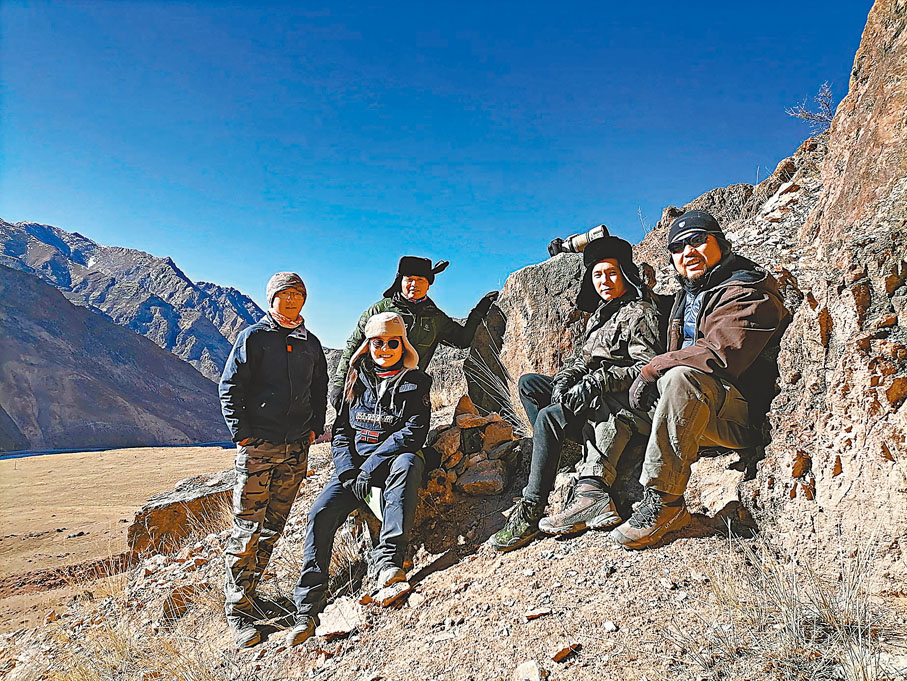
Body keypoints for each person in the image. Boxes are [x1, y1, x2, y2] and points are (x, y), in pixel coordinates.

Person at [611, 210, 790, 550]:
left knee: (679, 377)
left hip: (744, 418)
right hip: (706, 412)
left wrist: (652, 368)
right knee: (612, 394)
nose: (687, 252)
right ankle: (592, 489)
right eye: (678, 247)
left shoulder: (748, 287)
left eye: (697, 240)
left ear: (720, 243)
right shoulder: (691, 292)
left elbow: (721, 353)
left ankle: (665, 503)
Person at [489, 236, 663, 552]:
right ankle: (566, 450)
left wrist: (598, 382)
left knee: (549, 417)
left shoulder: (641, 312)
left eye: (611, 273)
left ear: (624, 271)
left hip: (622, 400)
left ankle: (531, 508)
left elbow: (646, 368)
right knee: (530, 384)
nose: (604, 281)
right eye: (597, 275)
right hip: (594, 392)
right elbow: (581, 359)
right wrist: (565, 379)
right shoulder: (601, 314)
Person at [287, 312, 432, 646]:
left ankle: (389, 564)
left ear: (402, 345)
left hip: (391, 463)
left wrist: (369, 468)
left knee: (409, 464)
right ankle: (307, 608)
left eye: (392, 343)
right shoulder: (355, 379)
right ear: (368, 345)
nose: (384, 349)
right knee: (321, 513)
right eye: (377, 342)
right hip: (354, 470)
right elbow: (340, 432)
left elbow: (413, 432)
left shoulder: (417, 382)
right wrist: (349, 471)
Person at [218, 272, 328, 648]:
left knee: (273, 527)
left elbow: (319, 387)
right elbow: (230, 386)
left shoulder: (310, 343)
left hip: (296, 449)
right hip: (259, 447)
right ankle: (237, 610)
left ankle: (252, 595)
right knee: (248, 527)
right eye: (285, 295)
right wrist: (243, 434)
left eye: (298, 294)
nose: (292, 300)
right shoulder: (254, 337)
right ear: (271, 299)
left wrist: (315, 427)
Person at [329, 256, 498, 410]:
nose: (414, 285)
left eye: (420, 280)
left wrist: (478, 312)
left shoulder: (435, 317)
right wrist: (339, 383)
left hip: (408, 391)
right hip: (370, 389)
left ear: (429, 283)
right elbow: (354, 344)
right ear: (400, 281)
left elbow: (462, 340)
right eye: (409, 279)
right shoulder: (379, 310)